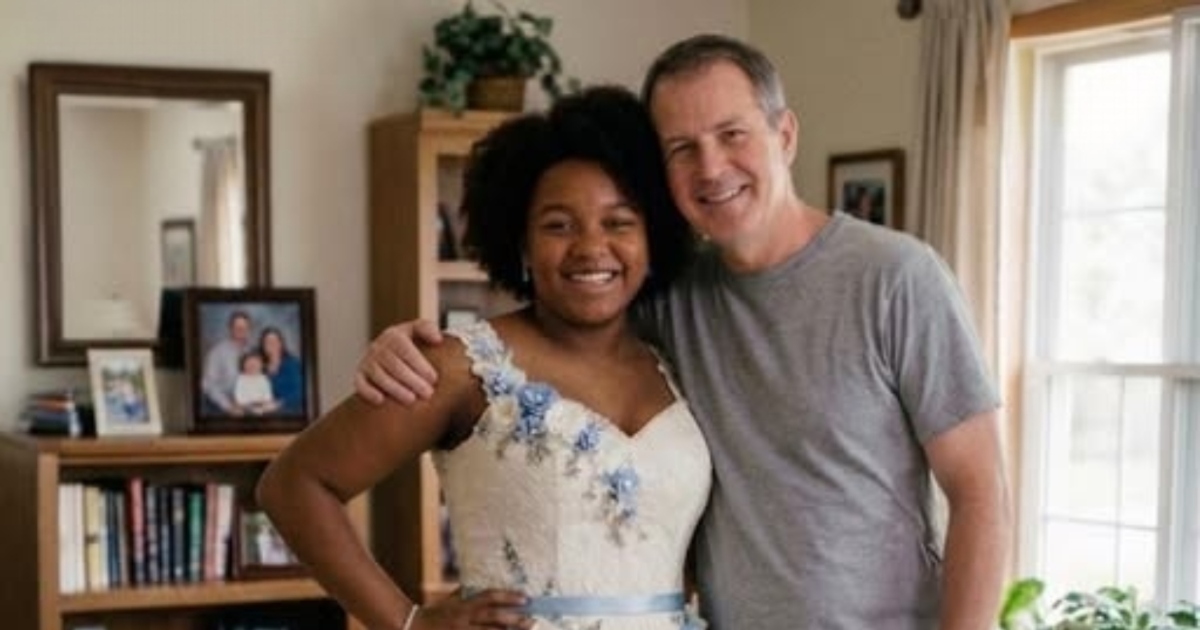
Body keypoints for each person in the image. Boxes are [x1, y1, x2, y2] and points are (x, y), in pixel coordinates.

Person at [355, 34, 1012, 630]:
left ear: (784, 135)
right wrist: (402, 345)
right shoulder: (668, 298)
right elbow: (556, 323)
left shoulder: (898, 278)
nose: (711, 167)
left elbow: (979, 492)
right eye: (682, 148)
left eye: (732, 134)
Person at [257, 85, 708, 630]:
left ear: (653, 238)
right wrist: (409, 623)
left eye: (619, 222)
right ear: (520, 243)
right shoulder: (464, 366)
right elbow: (294, 484)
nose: (591, 247)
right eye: (558, 225)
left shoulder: (679, 363)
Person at [201, 310, 253, 415]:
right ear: (230, 329)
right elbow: (208, 384)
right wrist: (228, 406)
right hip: (220, 405)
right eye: (237, 327)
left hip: (246, 404)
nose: (241, 331)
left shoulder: (252, 351)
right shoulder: (217, 351)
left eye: (244, 328)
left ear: (249, 330)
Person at [260, 327, 305, 415]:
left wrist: (278, 404)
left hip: (291, 411)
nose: (271, 344)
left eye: (274, 341)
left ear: (281, 343)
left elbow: (299, 392)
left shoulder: (292, 363)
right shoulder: (261, 367)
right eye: (267, 342)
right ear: (263, 346)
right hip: (268, 411)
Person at [234, 350, 279, 415]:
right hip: (246, 405)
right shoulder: (241, 379)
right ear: (243, 366)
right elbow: (239, 396)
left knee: (272, 406)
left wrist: (265, 401)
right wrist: (248, 404)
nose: (252, 366)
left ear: (261, 366)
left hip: (262, 404)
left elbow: (267, 393)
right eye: (249, 364)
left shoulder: (264, 378)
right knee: (238, 411)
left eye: (256, 364)